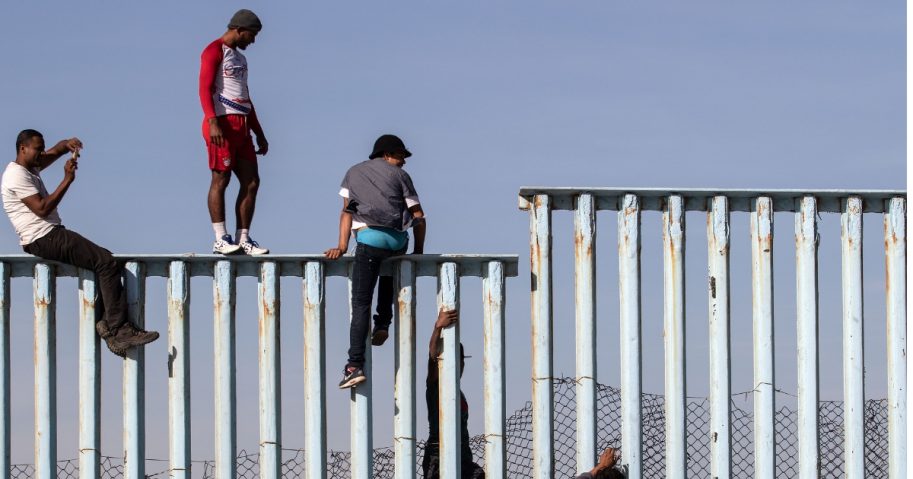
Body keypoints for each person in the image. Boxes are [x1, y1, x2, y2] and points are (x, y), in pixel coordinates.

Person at [1, 130, 159, 357]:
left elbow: (52, 153)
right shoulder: (16, 175)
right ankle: (118, 330)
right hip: (42, 237)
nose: (41, 154)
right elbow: (42, 208)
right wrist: (67, 180)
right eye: (37, 149)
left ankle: (107, 323)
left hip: (46, 235)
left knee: (103, 258)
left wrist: (66, 145)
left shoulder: (29, 166)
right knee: (105, 262)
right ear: (22, 148)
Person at [324, 134, 426, 389]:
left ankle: (354, 365)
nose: (403, 163)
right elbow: (420, 217)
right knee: (389, 267)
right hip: (397, 242)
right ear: (387, 154)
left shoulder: (353, 173)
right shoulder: (401, 176)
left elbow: (347, 212)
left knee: (360, 303)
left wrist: (342, 246)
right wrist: (418, 252)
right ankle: (383, 322)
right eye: (401, 157)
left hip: (368, 240)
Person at [200, 9, 270, 255]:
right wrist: (212, 121)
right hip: (221, 124)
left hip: (242, 125)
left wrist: (259, 132)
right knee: (221, 179)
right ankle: (220, 238)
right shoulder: (213, 50)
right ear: (239, 30)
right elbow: (204, 89)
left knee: (252, 182)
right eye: (251, 35)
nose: (253, 41)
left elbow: (245, 97)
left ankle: (244, 238)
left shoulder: (240, 59)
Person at [422, 309, 484, 479]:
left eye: (461, 361)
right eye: (456, 360)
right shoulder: (437, 386)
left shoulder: (459, 392)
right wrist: (438, 328)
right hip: (438, 456)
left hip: (462, 455)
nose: (460, 365)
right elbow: (432, 359)